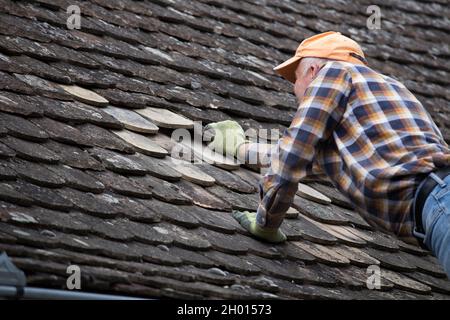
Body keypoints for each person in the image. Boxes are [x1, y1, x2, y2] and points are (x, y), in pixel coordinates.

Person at [205, 31, 450, 277]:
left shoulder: (334, 73)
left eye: (296, 80)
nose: (296, 92)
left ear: (313, 70)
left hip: (439, 201)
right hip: (435, 206)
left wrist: (266, 222)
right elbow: (302, 159)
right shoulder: (390, 94)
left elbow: (293, 155)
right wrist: (239, 148)